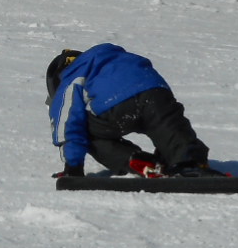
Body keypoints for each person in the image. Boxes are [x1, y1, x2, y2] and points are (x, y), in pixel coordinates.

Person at [46, 44, 216, 178]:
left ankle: (136, 160)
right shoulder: (115, 57)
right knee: (167, 124)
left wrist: (73, 166)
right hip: (154, 90)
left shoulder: (70, 77)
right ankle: (189, 162)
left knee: (84, 131)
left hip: (113, 106)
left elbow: (68, 124)